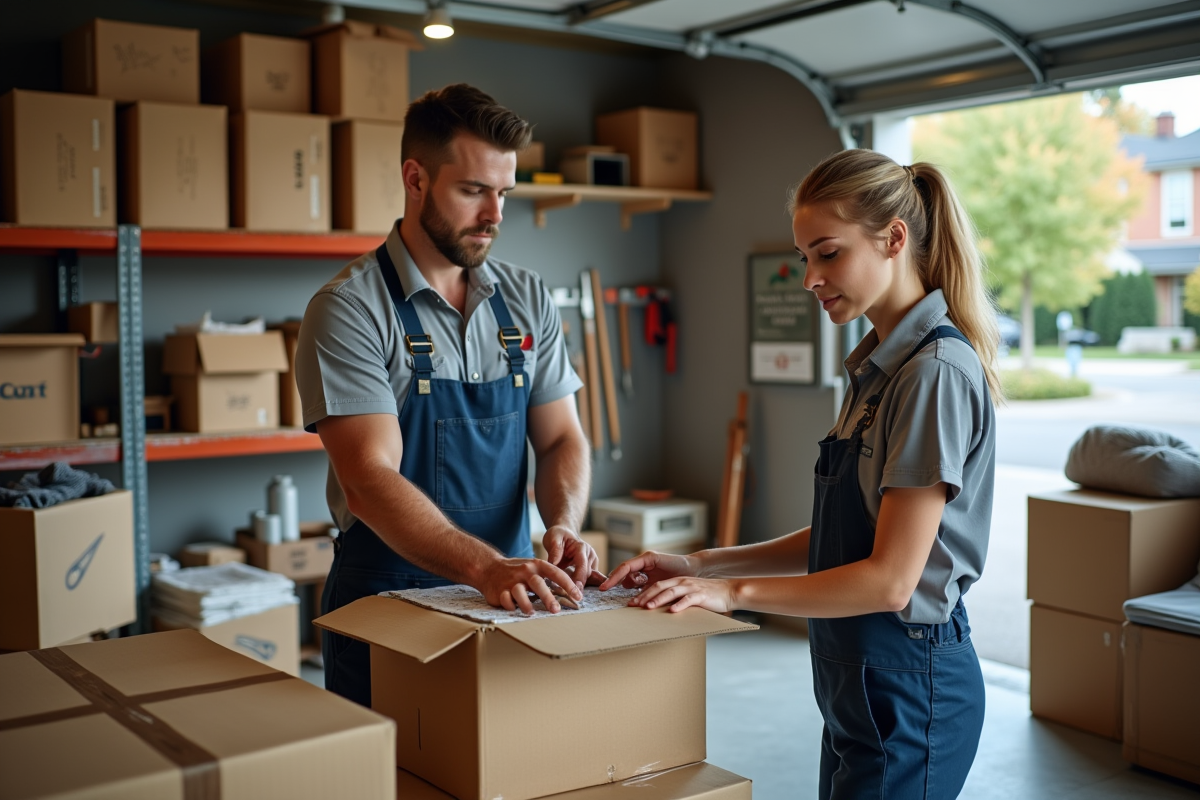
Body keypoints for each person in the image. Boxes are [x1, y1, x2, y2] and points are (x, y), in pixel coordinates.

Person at [601, 149, 1001, 799]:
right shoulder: (878, 369)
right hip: (858, 683)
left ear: (893, 239)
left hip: (910, 685)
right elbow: (841, 541)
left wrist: (734, 597)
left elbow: (891, 579)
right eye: (803, 258)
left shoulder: (932, 374)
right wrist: (701, 565)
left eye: (828, 253)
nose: (810, 277)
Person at [297, 84, 597, 707]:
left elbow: (563, 437)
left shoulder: (527, 298)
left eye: (504, 193)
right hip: (388, 600)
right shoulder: (349, 310)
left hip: (512, 594)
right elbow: (366, 479)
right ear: (416, 179)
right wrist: (483, 568)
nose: (495, 215)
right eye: (473, 191)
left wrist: (562, 524)